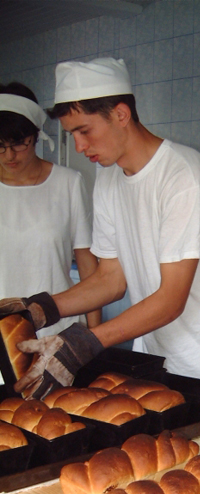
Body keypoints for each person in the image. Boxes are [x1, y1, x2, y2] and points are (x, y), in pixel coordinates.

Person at [0, 58, 200, 434]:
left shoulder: (183, 177)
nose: (79, 146)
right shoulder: (109, 179)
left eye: (84, 131)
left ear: (121, 114)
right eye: (71, 134)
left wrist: (83, 342)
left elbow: (171, 299)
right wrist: (40, 309)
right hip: (159, 359)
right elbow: (110, 279)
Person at [0, 81, 100, 342]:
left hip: (58, 333)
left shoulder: (68, 183)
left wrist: (94, 338)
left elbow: (87, 265)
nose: (9, 155)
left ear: (36, 135)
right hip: (2, 334)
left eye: (18, 143)